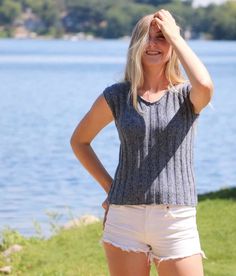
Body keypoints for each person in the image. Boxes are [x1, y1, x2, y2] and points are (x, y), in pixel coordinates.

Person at [70, 9, 214, 276]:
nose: (153, 44)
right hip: (124, 218)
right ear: (135, 44)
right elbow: (80, 141)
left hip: (175, 220)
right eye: (146, 38)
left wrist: (177, 36)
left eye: (161, 38)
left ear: (172, 43)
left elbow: (205, 85)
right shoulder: (117, 96)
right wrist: (110, 188)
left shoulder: (186, 96)